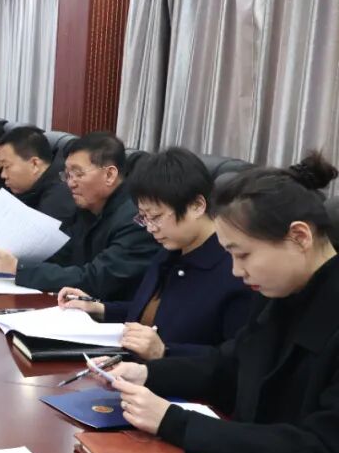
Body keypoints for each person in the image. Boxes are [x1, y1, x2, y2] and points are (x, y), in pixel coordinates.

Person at [101, 154, 339, 453]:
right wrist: (148, 374)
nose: (235, 271)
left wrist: (174, 422)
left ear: (299, 236)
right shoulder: (280, 293)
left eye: (243, 255)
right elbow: (229, 365)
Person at [58, 148, 257, 359]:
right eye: (143, 217)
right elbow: (152, 313)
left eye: (156, 217)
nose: (150, 228)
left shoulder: (235, 270)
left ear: (197, 206)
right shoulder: (170, 252)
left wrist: (164, 352)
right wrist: (99, 308)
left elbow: (235, 359)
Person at [0, 132, 160, 300]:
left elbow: (94, 280)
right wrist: (4, 256)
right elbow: (59, 254)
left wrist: (18, 268)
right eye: (67, 175)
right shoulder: (88, 208)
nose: (70, 183)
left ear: (110, 175)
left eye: (78, 174)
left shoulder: (136, 220)